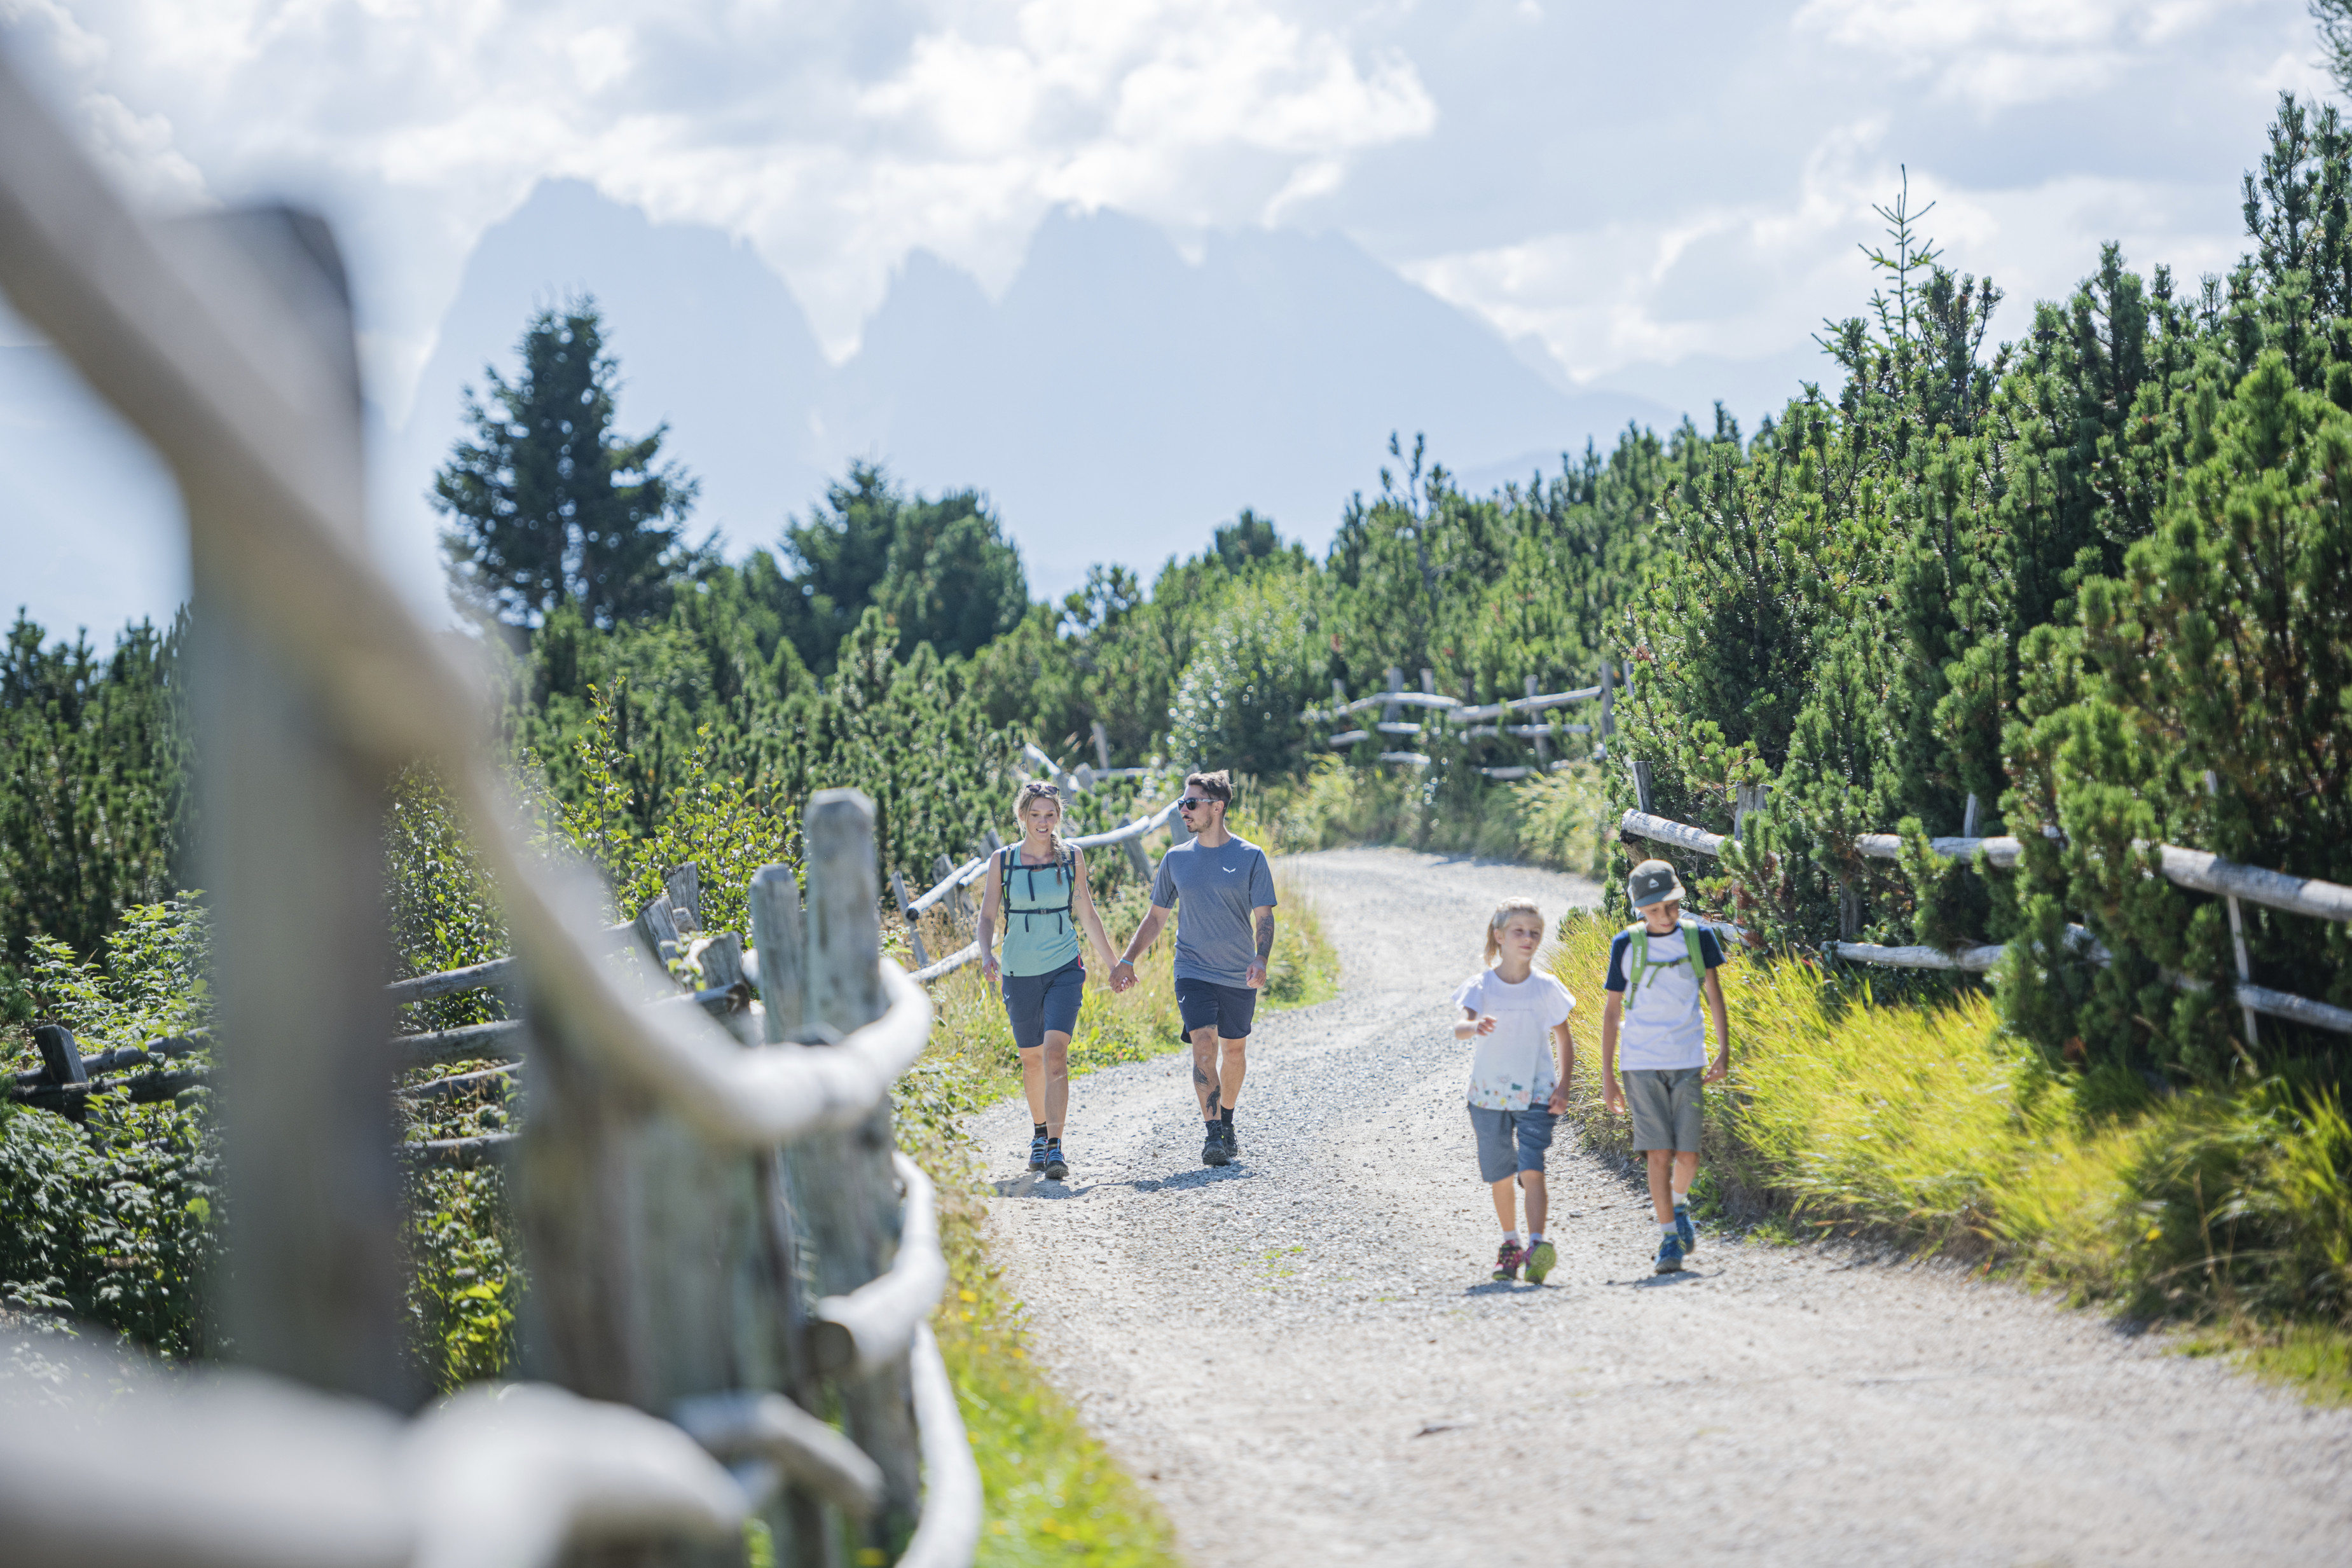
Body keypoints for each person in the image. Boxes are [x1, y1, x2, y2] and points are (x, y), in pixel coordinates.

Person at [1110, 770, 1274, 1167]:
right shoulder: (1176, 859)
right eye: (1182, 803)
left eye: (1192, 803)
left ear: (1216, 808)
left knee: (1234, 1051)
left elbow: (1264, 918)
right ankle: (1214, 1134)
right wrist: (1127, 959)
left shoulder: (1251, 857)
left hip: (1238, 972)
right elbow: (1154, 919)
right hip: (1192, 969)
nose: (1183, 810)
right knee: (1204, 1046)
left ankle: (1229, 1121)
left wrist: (1261, 957)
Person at [979, 780, 1117, 1181]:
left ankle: (1055, 1146)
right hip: (1018, 971)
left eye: (1050, 815)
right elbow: (987, 914)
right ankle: (1039, 1132)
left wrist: (1114, 964)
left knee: (1056, 1054)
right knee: (1031, 1058)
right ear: (1022, 816)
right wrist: (987, 952)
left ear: (1059, 817)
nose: (1043, 822)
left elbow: (1088, 915)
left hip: (1063, 968)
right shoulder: (1002, 862)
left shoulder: (1072, 857)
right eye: (1035, 815)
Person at [1600, 859, 1731, 1274]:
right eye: (1655, 909)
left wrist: (1723, 1048)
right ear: (1639, 909)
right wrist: (1607, 1077)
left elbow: (1714, 996)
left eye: (1671, 906)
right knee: (1658, 1153)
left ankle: (1678, 1205)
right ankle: (1668, 1240)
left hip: (1687, 1060)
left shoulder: (1698, 938)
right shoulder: (1626, 944)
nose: (1665, 916)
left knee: (1688, 1155)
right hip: (1639, 1063)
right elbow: (1610, 1013)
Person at [1452, 898, 1576, 1284]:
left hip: (1538, 1095)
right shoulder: (1481, 985)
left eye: (1535, 933)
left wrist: (1564, 1086)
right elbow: (1460, 1026)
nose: (1528, 938)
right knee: (1501, 1175)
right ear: (1499, 936)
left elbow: (1564, 1039)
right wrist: (1476, 1027)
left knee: (1533, 1168)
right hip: (1487, 1097)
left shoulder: (1546, 988)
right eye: (1519, 931)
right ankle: (1510, 1244)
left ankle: (1538, 1246)